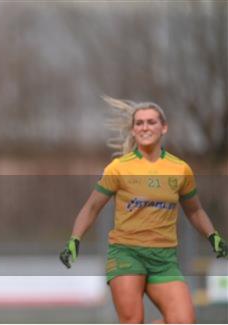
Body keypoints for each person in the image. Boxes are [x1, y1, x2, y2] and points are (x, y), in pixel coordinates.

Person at [59, 96, 227, 323]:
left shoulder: (180, 169)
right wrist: (74, 239)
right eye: (139, 123)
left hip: (165, 259)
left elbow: (195, 211)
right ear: (133, 129)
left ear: (164, 127)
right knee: (133, 321)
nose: (145, 127)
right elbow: (91, 208)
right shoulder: (119, 168)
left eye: (151, 122)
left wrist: (212, 235)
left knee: (184, 322)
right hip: (127, 254)